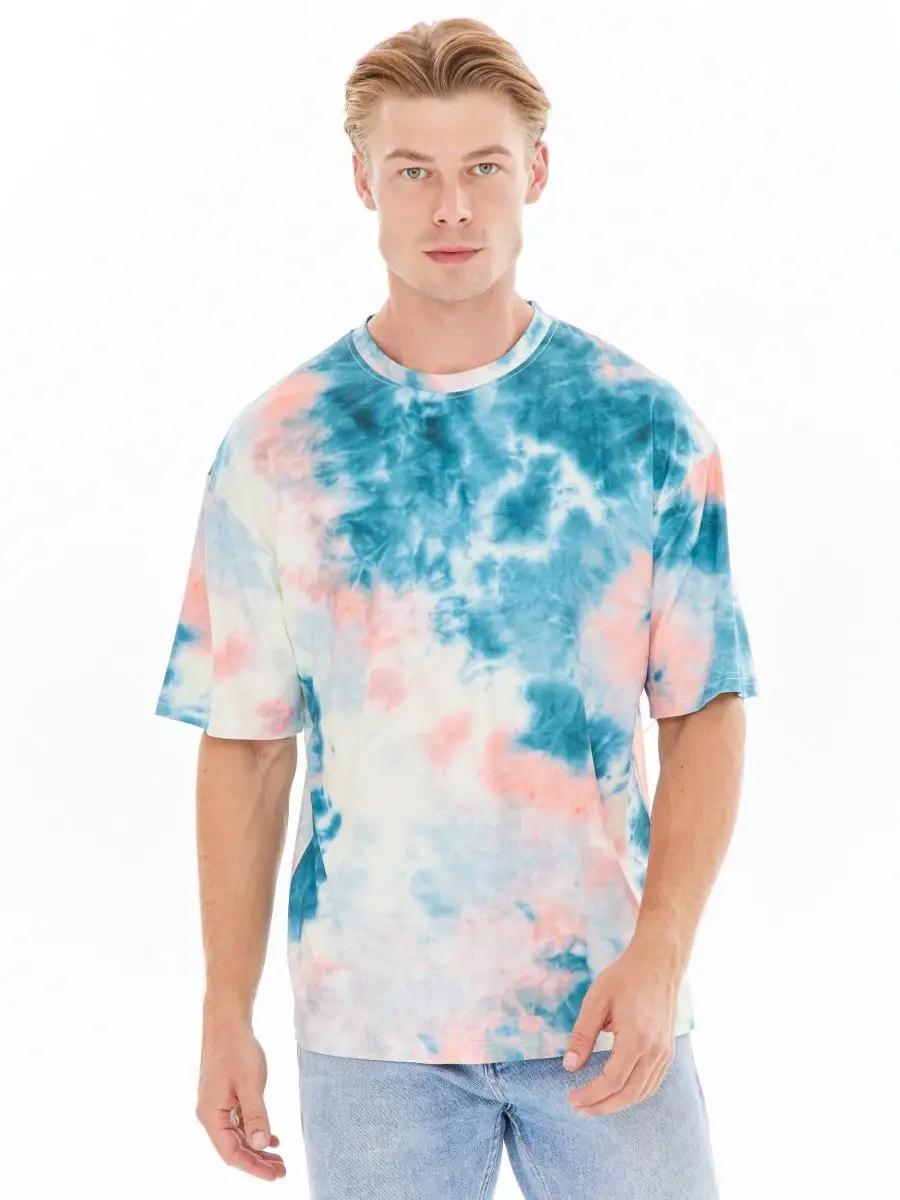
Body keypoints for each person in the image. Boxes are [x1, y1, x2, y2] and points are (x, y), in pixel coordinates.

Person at [155, 16, 758, 1199]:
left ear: (537, 171)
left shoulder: (642, 428)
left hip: (605, 1002)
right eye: (413, 171)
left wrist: (661, 953)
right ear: (362, 182)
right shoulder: (278, 447)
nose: (451, 207)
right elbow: (246, 746)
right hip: (371, 1028)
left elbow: (706, 710)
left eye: (483, 166)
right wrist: (226, 1008)